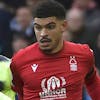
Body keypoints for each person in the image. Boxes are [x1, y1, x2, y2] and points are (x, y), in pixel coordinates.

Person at [10, 0, 100, 100]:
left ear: (64, 26)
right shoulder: (19, 60)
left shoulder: (83, 54)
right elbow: (19, 93)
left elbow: (93, 83)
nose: (43, 34)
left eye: (50, 27)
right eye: (38, 28)